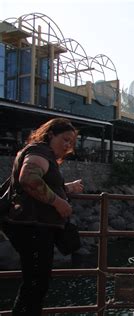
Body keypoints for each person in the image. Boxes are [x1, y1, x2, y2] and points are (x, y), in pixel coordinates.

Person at [2, 118, 84, 315]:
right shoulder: (39, 152)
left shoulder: (41, 153)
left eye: (71, 143)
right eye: (65, 139)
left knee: (36, 283)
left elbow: (40, 183)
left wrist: (66, 188)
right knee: (36, 284)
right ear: (50, 135)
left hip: (33, 226)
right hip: (33, 228)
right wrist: (58, 202)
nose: (68, 146)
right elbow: (29, 178)